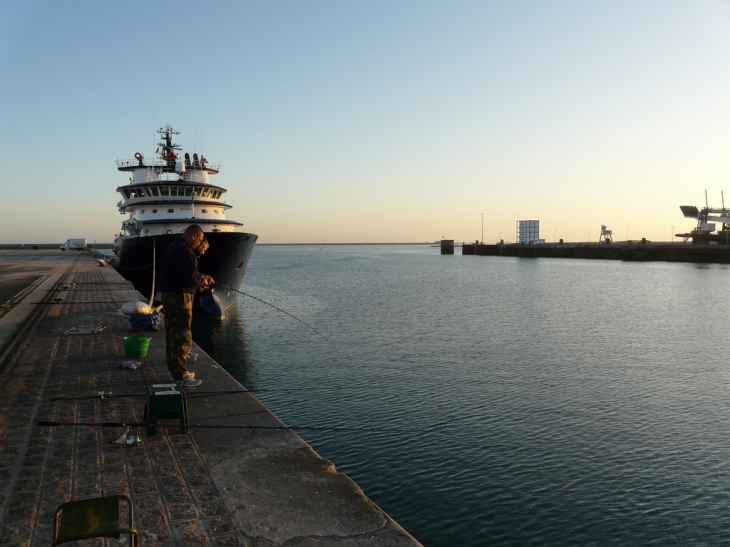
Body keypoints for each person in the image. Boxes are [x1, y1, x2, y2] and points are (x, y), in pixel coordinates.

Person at [158, 225, 214, 387]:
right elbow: (190, 277)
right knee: (181, 334)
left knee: (172, 334)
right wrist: (202, 281)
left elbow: (182, 275)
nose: (199, 245)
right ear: (195, 236)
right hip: (180, 297)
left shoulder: (173, 247)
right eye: (199, 241)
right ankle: (180, 376)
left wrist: (196, 282)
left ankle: (176, 371)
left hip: (170, 295)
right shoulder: (184, 250)